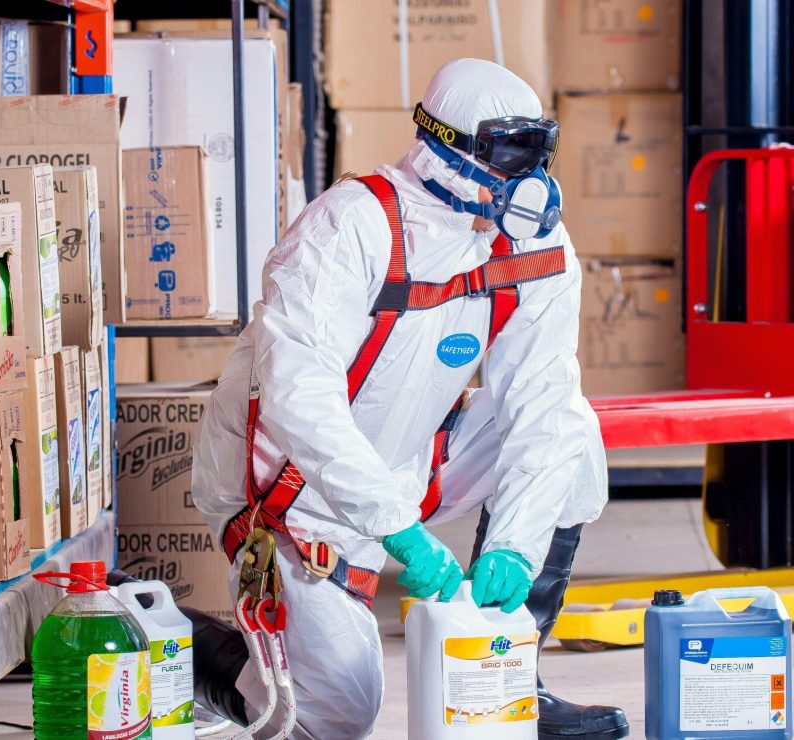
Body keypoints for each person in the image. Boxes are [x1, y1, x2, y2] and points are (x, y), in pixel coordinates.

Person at [189, 58, 628, 740]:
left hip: (411, 454)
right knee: (337, 717)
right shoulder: (348, 228)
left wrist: (516, 544)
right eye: (511, 153)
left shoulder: (534, 242)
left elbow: (541, 398)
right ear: (446, 148)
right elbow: (298, 398)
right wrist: (396, 528)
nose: (531, 178)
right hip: (290, 490)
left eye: (538, 152)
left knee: (572, 427)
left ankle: (514, 680)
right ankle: (181, 647)